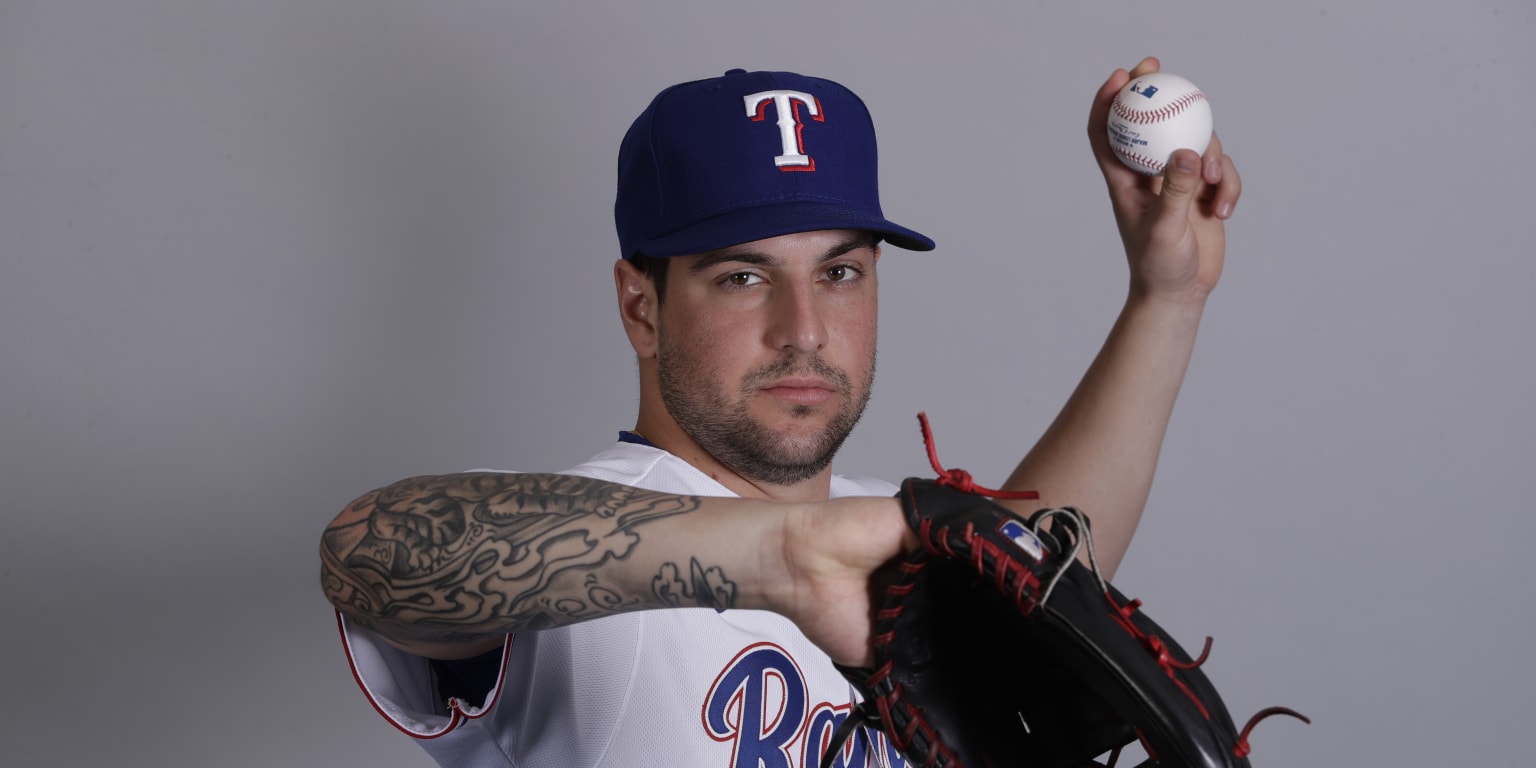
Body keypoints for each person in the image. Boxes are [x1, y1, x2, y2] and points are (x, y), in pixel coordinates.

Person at [320, 59, 1240, 768]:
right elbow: (370, 554)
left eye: (840, 273)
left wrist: (1166, 301)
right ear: (642, 306)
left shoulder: (896, 542)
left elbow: (1049, 565)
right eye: (743, 276)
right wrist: (783, 556)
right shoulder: (581, 546)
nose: (804, 330)